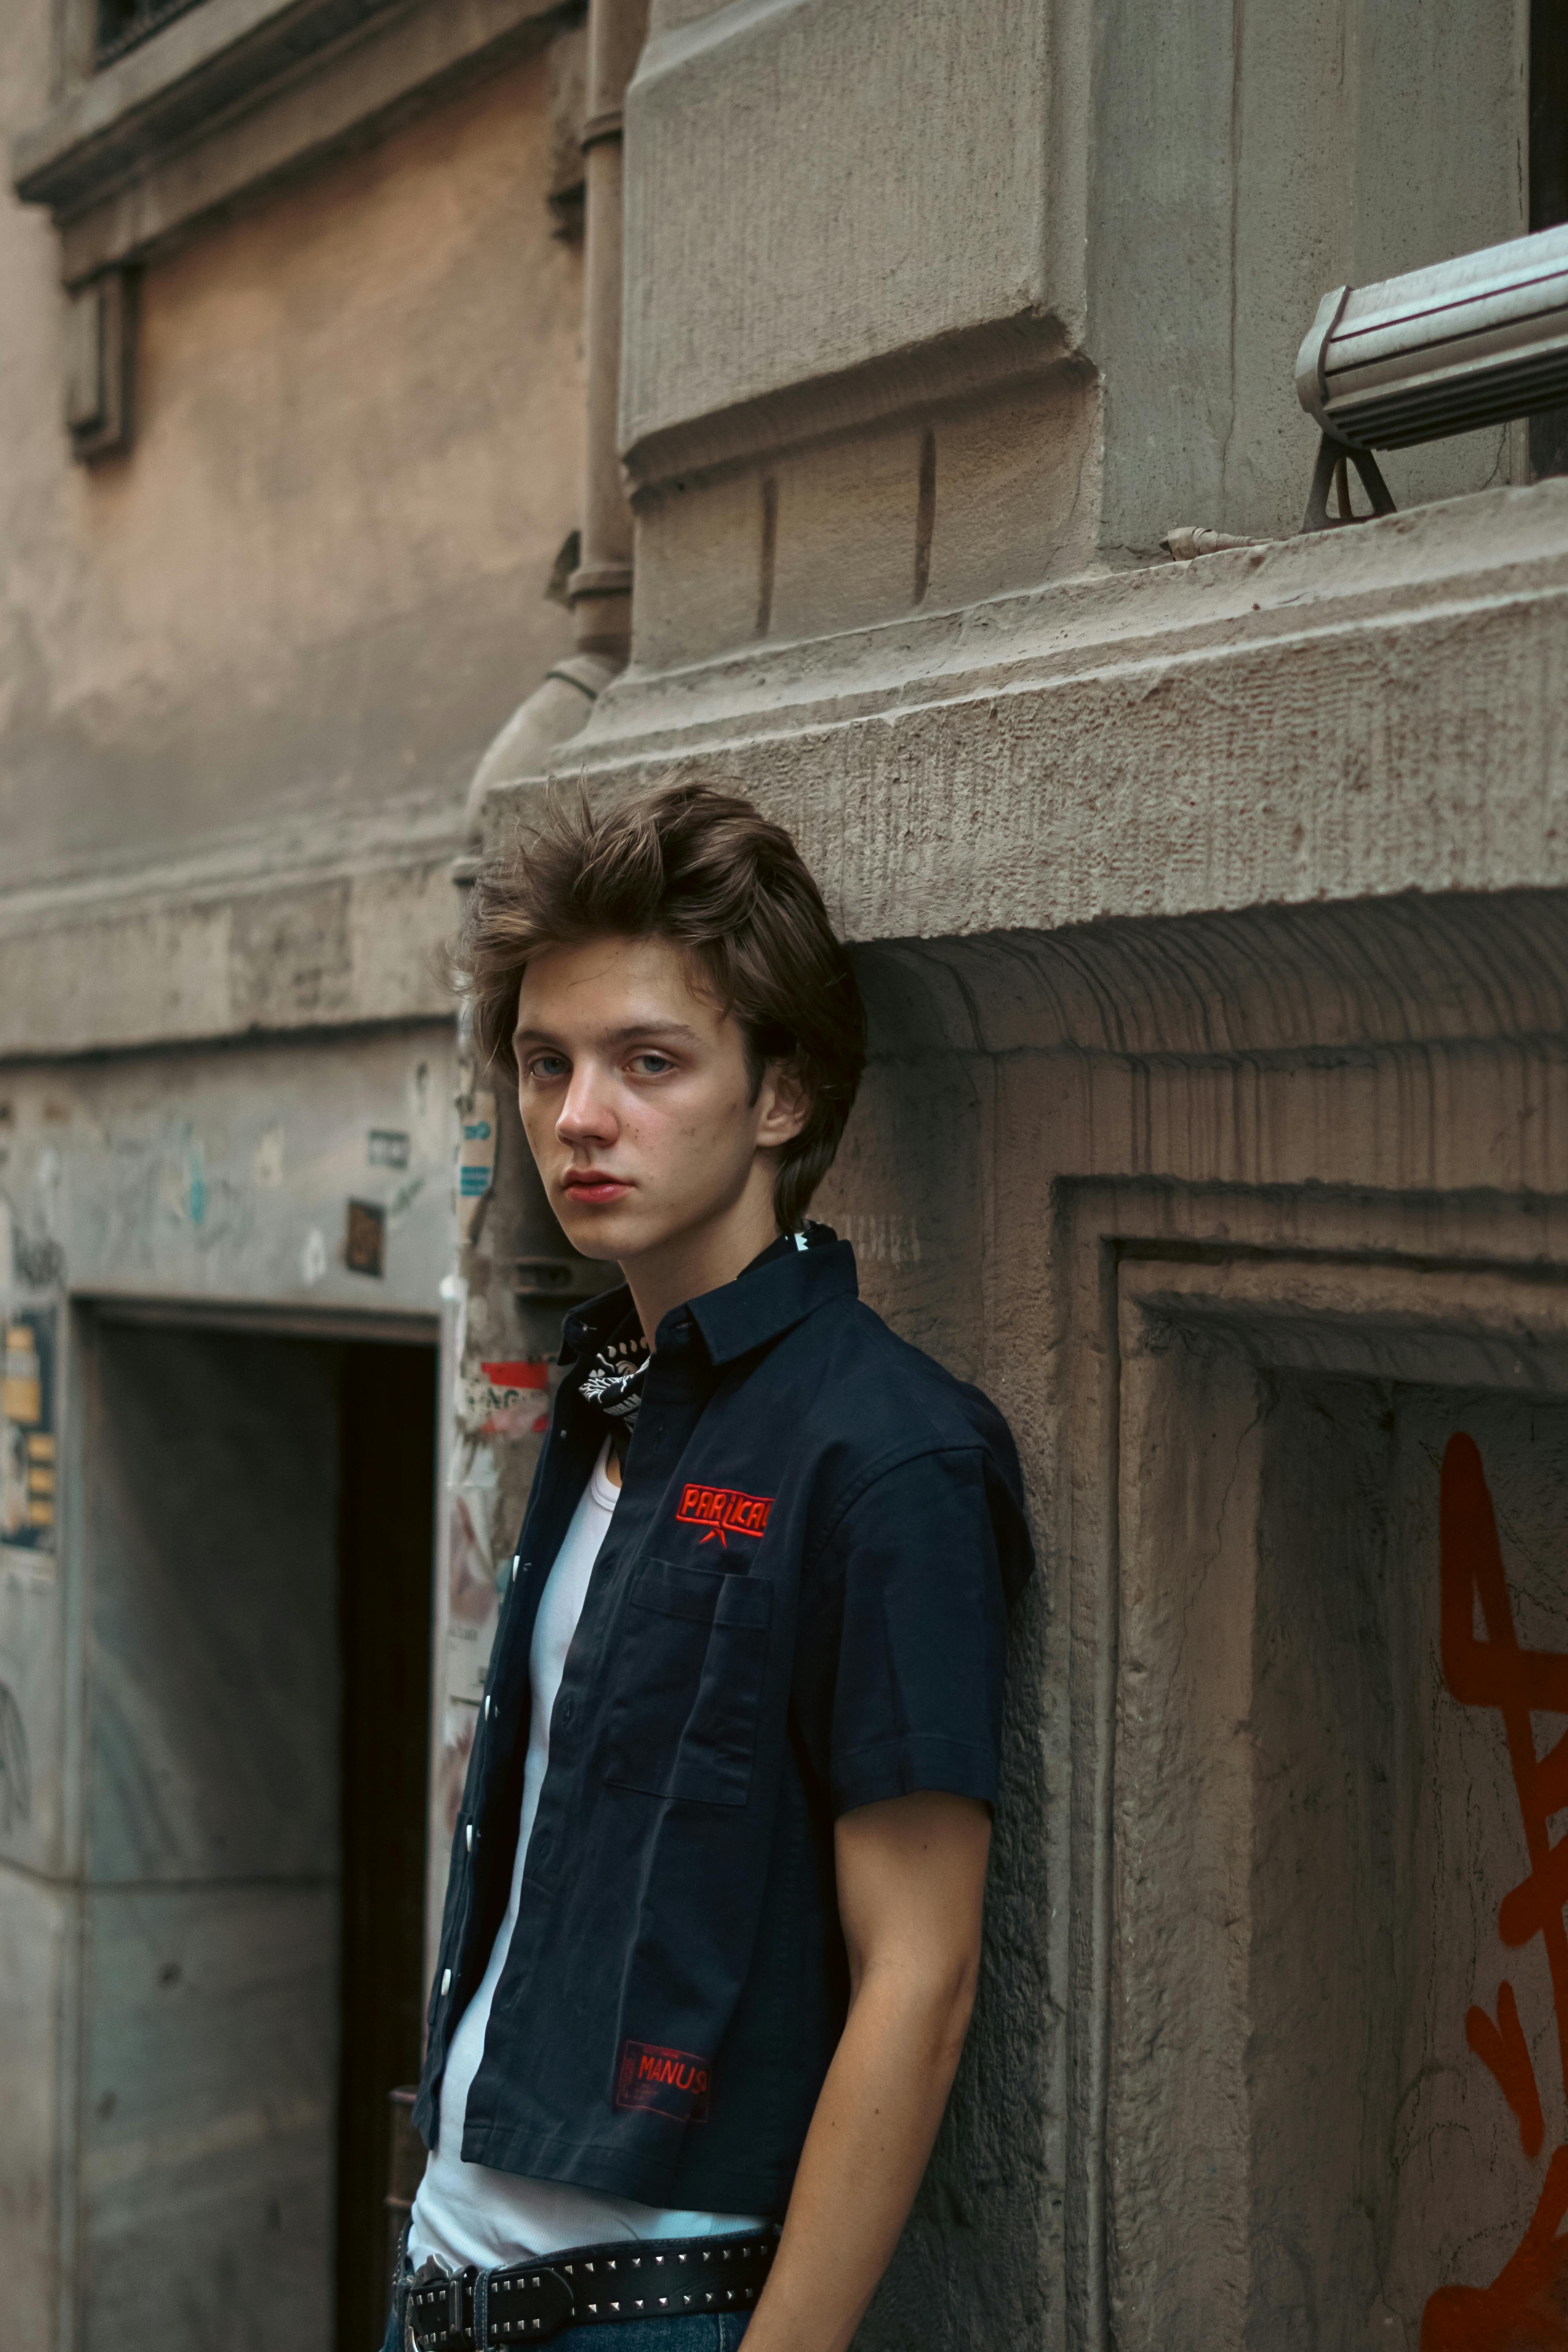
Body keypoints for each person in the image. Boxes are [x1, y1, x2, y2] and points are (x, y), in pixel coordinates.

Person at [390, 781, 1033, 2352]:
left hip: (652, 2307)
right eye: (546, 1065)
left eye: (647, 1062)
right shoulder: (607, 1391)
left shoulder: (887, 1455)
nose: (576, 1117)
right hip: (442, 2274)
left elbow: (920, 1973)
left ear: (782, 1096)